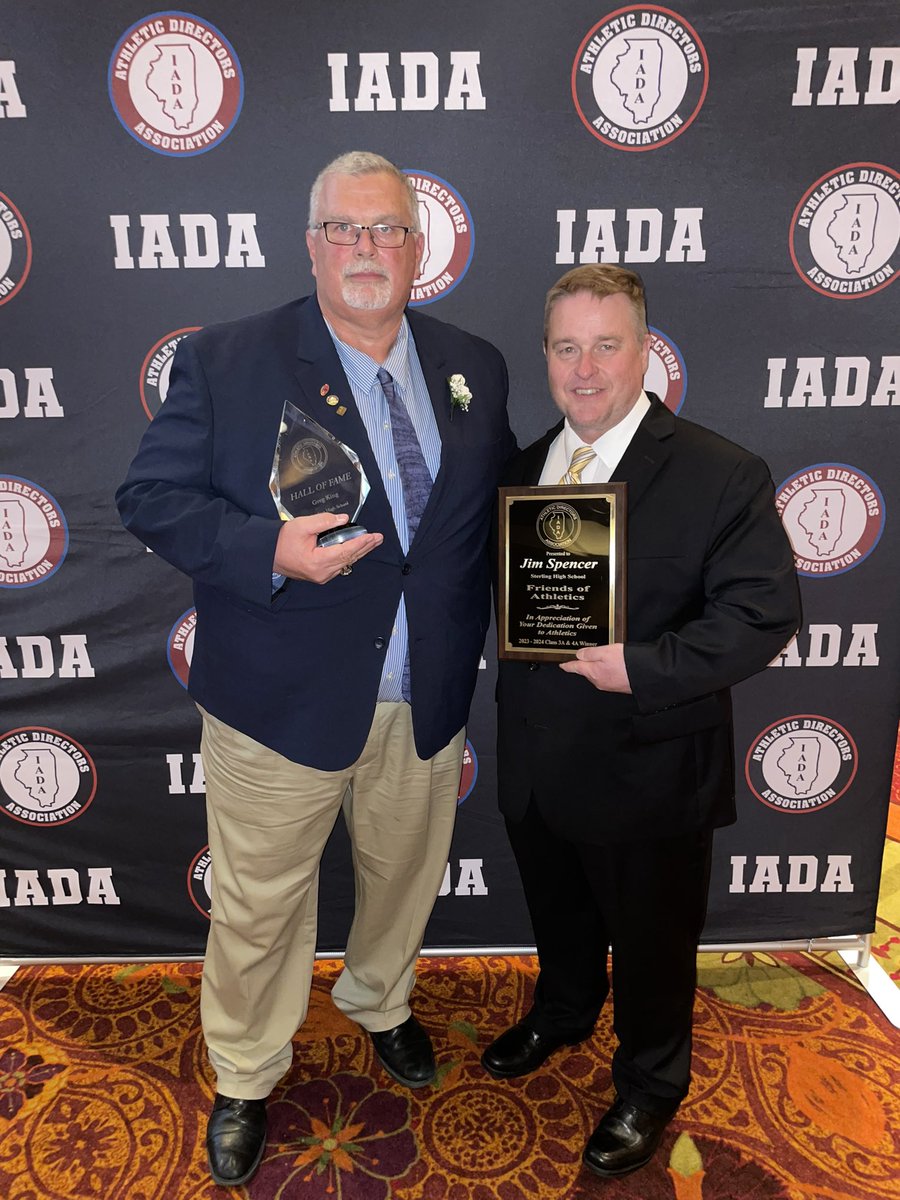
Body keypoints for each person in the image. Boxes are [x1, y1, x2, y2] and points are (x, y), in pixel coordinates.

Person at [117, 150, 515, 1188]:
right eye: (345, 229)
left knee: (404, 882)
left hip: (422, 697)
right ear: (311, 243)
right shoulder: (226, 360)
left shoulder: (474, 363)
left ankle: (380, 1001)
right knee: (258, 905)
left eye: (387, 229)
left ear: (418, 246)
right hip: (276, 702)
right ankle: (247, 1072)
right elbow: (149, 498)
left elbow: (493, 520)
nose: (366, 250)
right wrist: (268, 551)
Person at [481, 265, 800, 1179]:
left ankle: (653, 1081)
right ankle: (564, 1010)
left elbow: (760, 614)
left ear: (646, 352)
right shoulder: (521, 469)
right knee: (560, 913)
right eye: (566, 347)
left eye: (606, 345)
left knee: (655, 945)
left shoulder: (719, 471)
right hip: (538, 758)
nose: (586, 368)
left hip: (649, 767)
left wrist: (644, 667)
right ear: (546, 355)